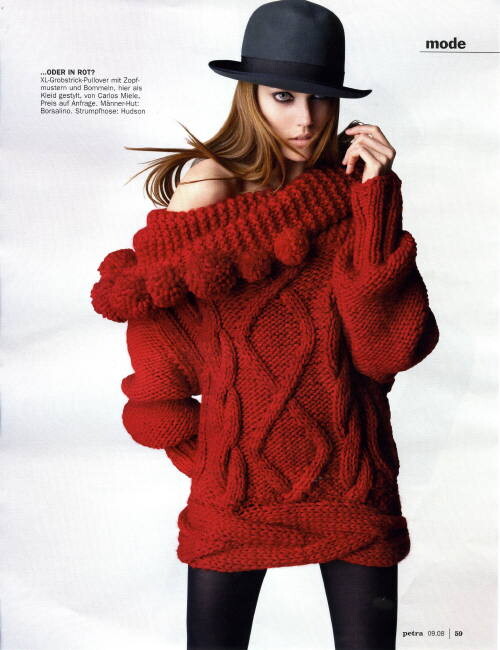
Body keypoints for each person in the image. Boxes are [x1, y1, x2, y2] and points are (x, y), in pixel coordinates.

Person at [90, 1, 440, 648]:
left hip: (353, 477)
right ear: (249, 95)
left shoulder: (352, 190)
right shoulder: (209, 187)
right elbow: (159, 345)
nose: (306, 119)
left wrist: (376, 201)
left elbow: (386, 351)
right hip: (237, 488)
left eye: (321, 99)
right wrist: (208, 452)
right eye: (283, 96)